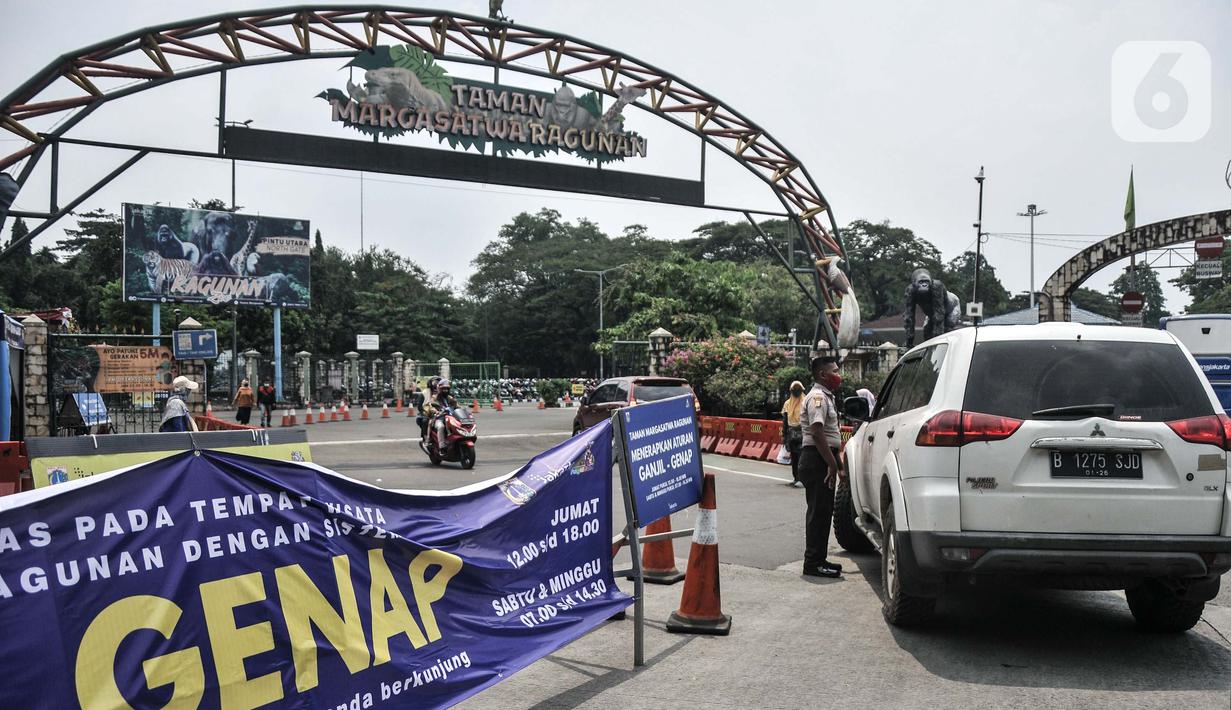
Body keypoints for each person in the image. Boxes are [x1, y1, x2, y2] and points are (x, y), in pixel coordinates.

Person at [798, 356, 845, 578]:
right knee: (818, 512)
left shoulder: (826, 396)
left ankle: (819, 559)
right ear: (822, 375)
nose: (839, 375)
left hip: (822, 458)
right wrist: (831, 464)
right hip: (817, 460)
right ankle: (813, 563)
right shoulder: (817, 397)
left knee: (824, 512)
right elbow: (817, 433)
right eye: (835, 371)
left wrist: (838, 463)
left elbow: (831, 436)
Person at [780, 380, 806, 488]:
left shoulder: (805, 402)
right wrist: (784, 435)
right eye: (794, 390)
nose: (796, 392)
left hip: (803, 433)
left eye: (798, 390)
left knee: (801, 457)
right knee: (794, 457)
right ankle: (795, 478)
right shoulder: (787, 404)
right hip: (791, 434)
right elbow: (785, 420)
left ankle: (802, 479)